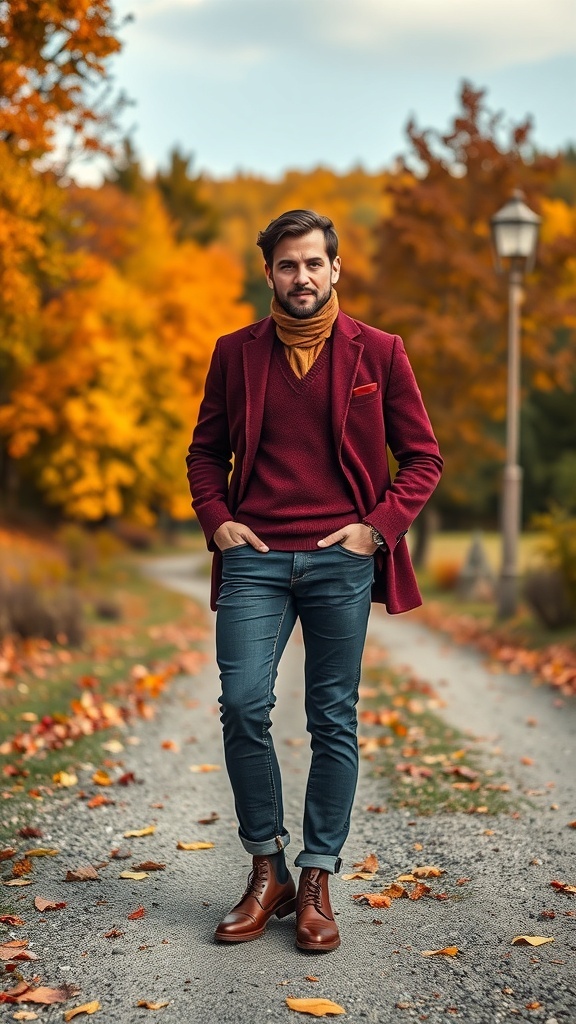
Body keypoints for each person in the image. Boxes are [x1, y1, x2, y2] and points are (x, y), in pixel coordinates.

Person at [186, 209, 442, 952]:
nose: (303, 277)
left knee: (333, 718)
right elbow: (206, 452)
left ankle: (318, 876)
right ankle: (267, 869)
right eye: (288, 265)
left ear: (336, 270)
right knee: (242, 703)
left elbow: (423, 458)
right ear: (268, 273)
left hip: (341, 558)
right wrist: (216, 517)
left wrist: (376, 529)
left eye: (314, 264)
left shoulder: (381, 353)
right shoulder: (235, 354)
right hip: (255, 558)